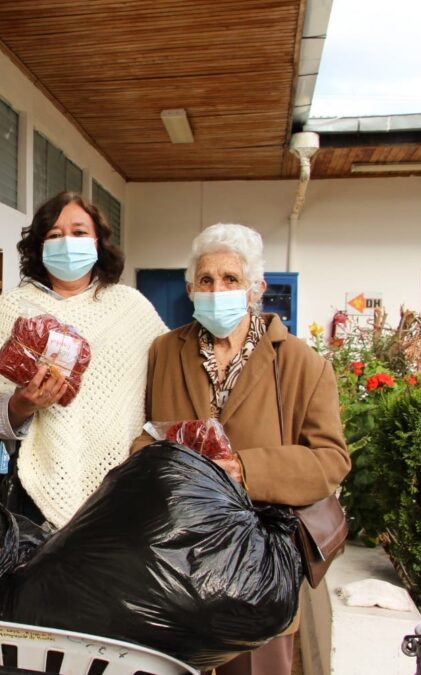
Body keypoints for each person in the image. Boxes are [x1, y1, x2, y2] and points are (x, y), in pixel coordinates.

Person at [129, 223, 351, 675]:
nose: (217, 289)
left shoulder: (301, 363)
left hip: (259, 565)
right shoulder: (165, 351)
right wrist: (157, 458)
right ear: (190, 288)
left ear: (256, 288)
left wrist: (244, 469)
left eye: (231, 279)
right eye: (206, 280)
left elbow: (330, 459)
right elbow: (146, 434)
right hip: (176, 561)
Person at [0, 191, 166, 529]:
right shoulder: (13, 308)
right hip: (36, 494)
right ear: (39, 246)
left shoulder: (131, 308)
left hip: (122, 486)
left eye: (78, 233)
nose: (67, 242)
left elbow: (167, 379)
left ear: (99, 243)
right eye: (55, 235)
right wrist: (21, 405)